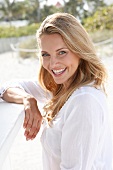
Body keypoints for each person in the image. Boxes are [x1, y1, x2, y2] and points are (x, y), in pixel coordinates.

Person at [0, 12, 112, 170]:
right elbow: (5, 88)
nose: (53, 64)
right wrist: (28, 100)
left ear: (79, 49)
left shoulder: (84, 100)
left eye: (62, 52)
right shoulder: (62, 87)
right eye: (46, 54)